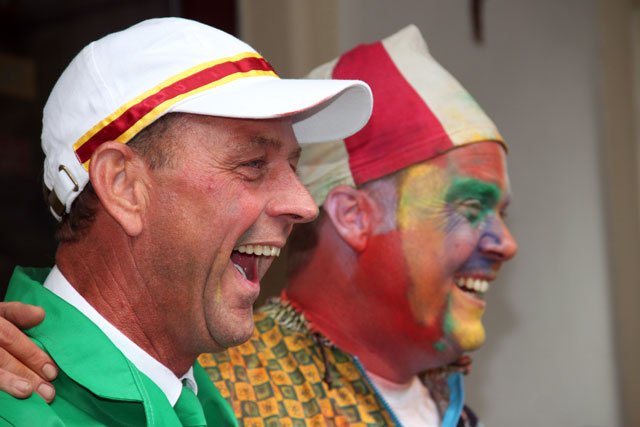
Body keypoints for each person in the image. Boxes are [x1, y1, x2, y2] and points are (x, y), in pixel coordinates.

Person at [0, 25, 516, 427]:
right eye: (252, 164)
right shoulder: (20, 402)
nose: (305, 204)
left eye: (293, 166)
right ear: (124, 186)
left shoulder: (197, 397)